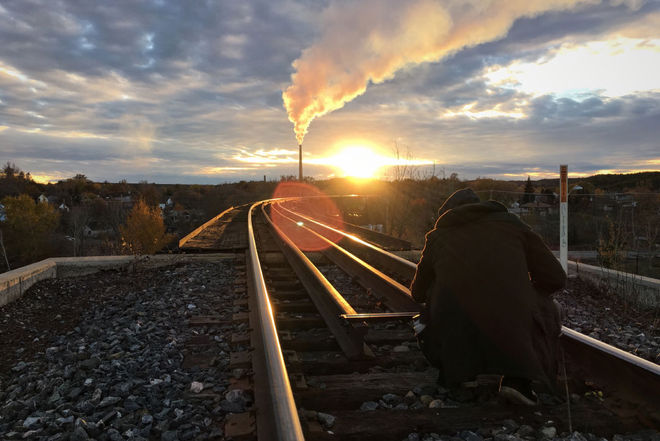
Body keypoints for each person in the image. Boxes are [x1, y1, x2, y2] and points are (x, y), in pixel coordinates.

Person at [410, 188, 566, 405]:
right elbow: (556, 278)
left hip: (454, 333)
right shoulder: (513, 226)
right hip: (513, 326)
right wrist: (522, 291)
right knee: (549, 307)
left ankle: (462, 374)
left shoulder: (437, 236)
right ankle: (518, 380)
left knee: (431, 305)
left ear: (447, 213)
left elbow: (417, 292)